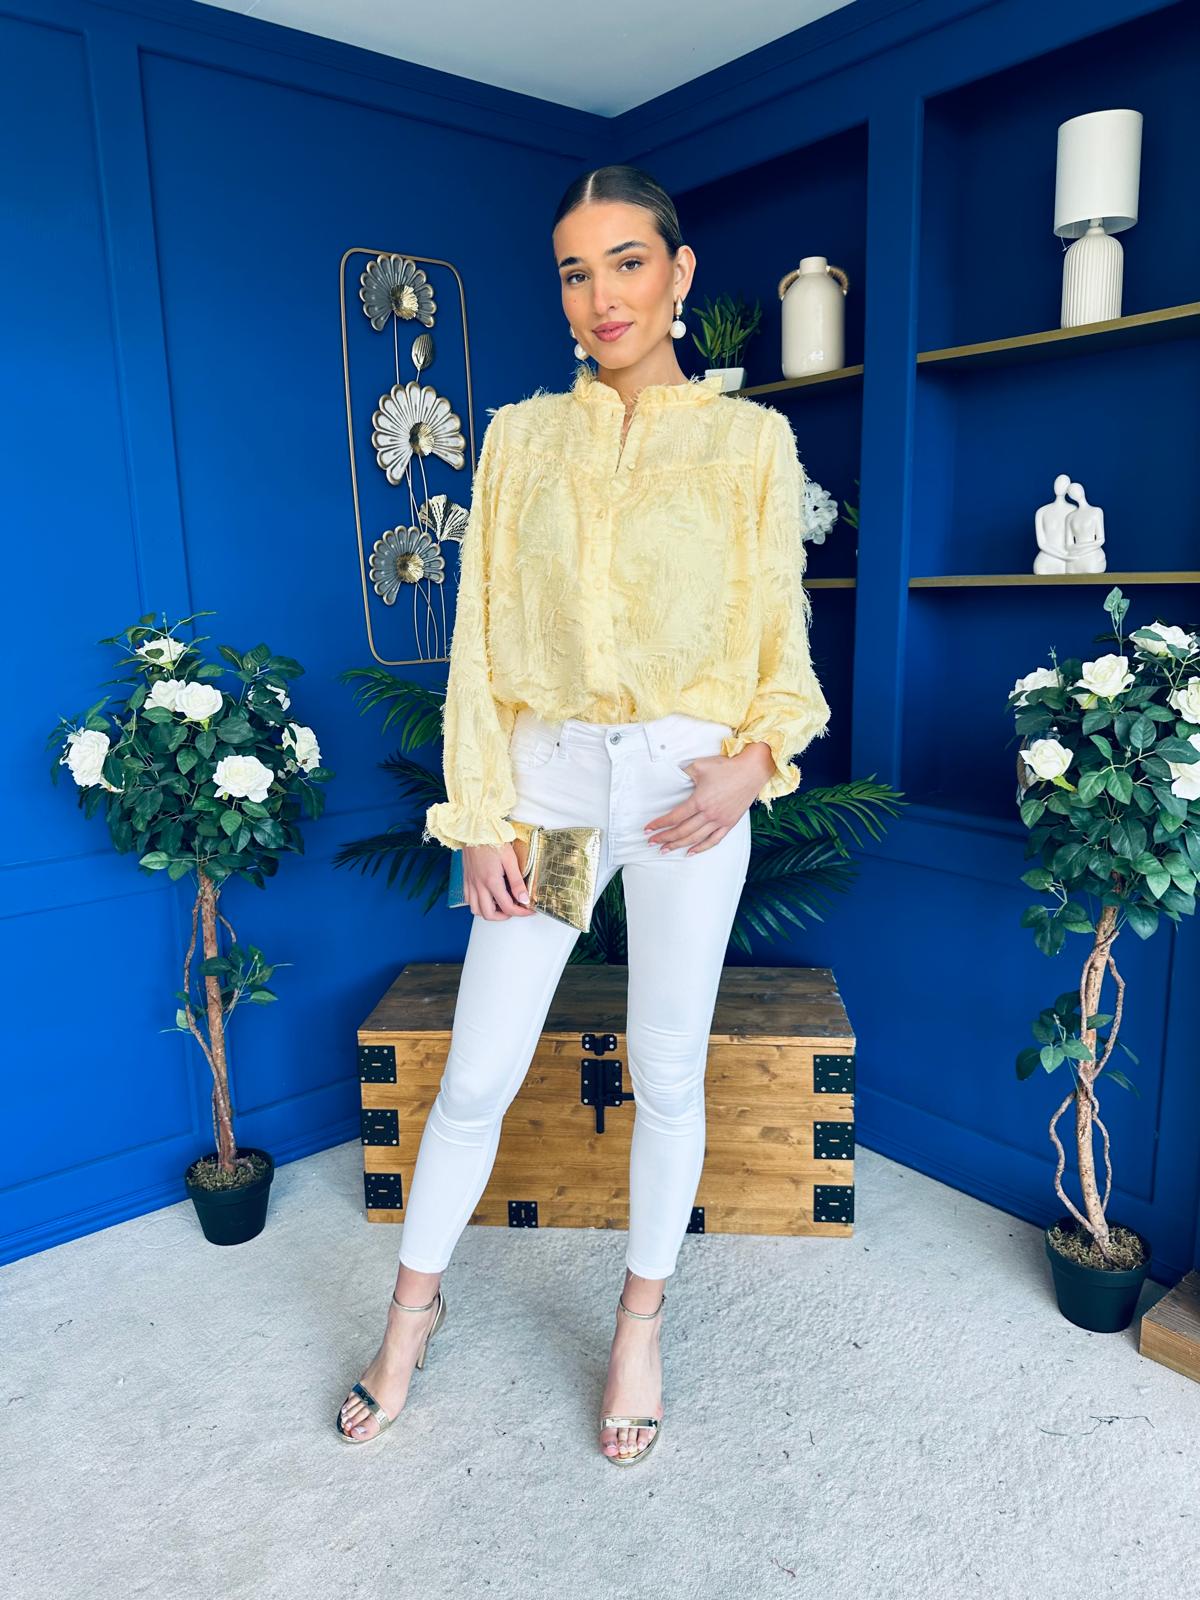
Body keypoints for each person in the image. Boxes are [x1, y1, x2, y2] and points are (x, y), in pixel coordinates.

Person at [336, 164, 832, 1464]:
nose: (602, 294)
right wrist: (481, 816)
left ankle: (638, 1326)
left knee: (667, 1069)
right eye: (575, 270)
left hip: (683, 797)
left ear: (678, 271)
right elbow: (479, 645)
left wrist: (752, 763)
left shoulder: (748, 447)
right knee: (480, 1071)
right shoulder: (520, 441)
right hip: (553, 792)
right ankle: (410, 1315)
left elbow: (780, 648)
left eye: (627, 261)